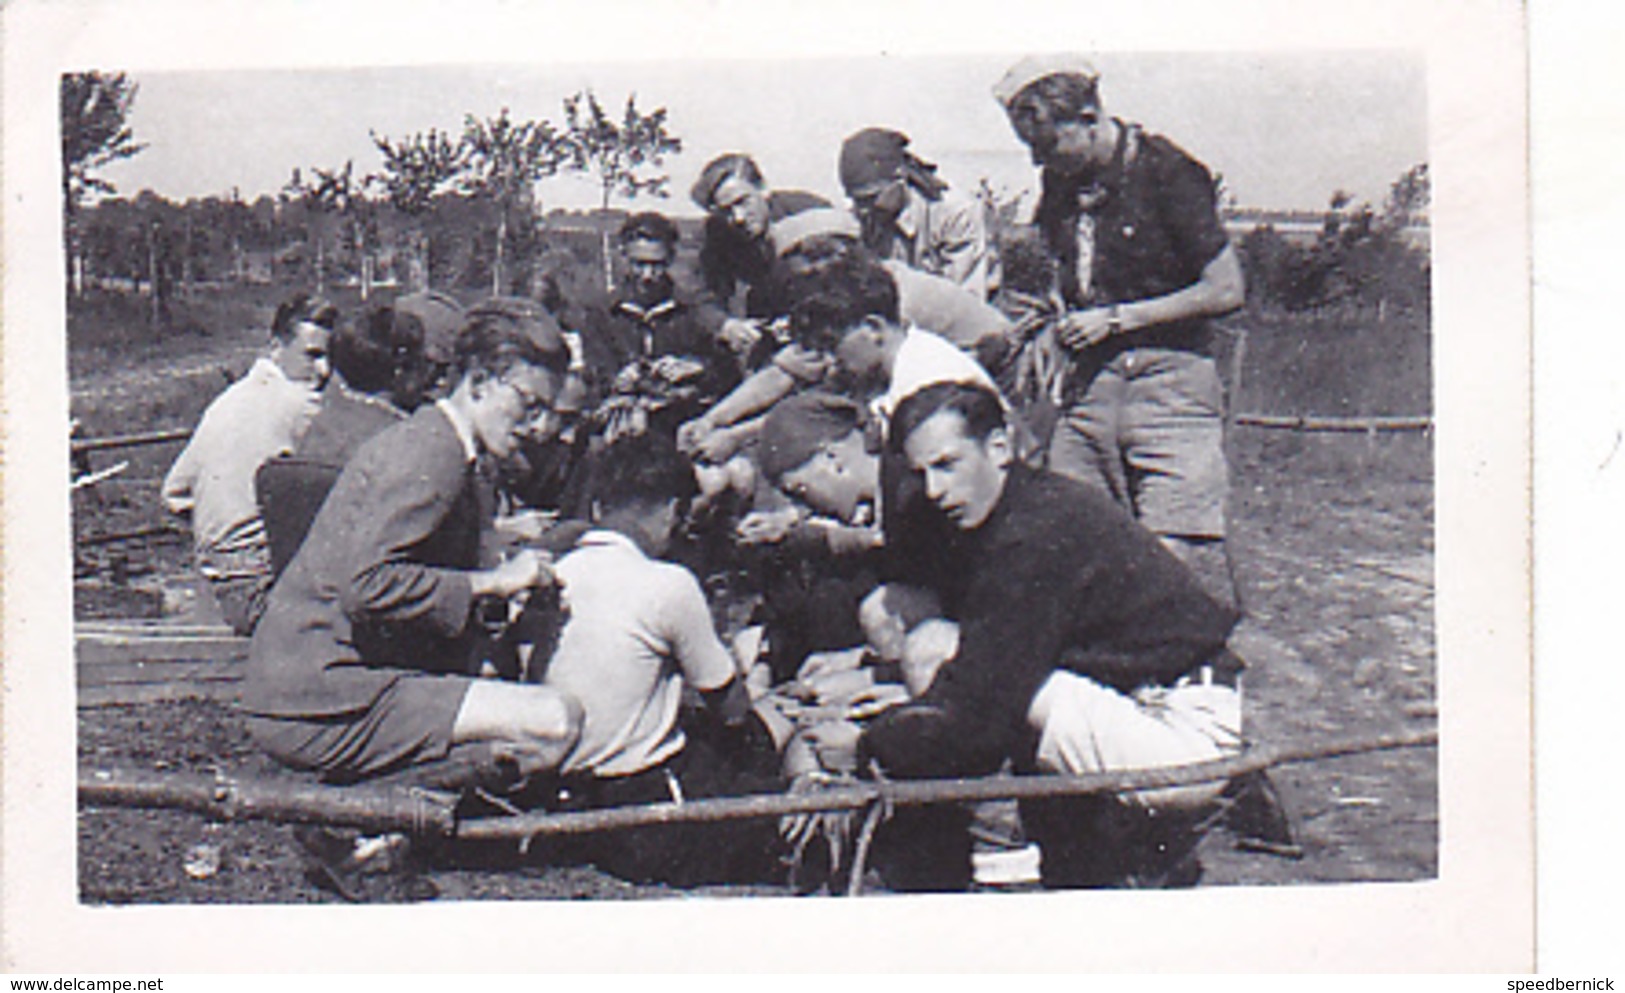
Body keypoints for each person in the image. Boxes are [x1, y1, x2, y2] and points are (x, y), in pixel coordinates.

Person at [856, 382, 1245, 890]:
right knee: (921, 627)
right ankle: (1069, 839)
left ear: (999, 448)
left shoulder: (1035, 533)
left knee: (937, 655)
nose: (933, 490)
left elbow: (977, 715)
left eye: (948, 465)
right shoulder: (1004, 509)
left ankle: (970, 860)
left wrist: (871, 739)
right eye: (921, 472)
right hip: (1128, 696)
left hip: (1179, 734)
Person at [243, 298, 584, 797]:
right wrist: (493, 581)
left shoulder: (444, 444)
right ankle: (354, 824)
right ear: (481, 381)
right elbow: (366, 587)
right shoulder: (433, 451)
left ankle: (370, 812)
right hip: (320, 695)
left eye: (548, 411)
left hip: (318, 683)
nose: (538, 427)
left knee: (503, 691)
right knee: (555, 721)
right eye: (529, 405)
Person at [993, 54, 1246, 606]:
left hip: (1170, 381)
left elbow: (1226, 289)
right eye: (1030, 148)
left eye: (1048, 144)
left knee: (1171, 550)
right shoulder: (1060, 184)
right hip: (1092, 385)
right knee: (1068, 534)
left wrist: (1118, 319)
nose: (1041, 160)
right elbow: (1065, 273)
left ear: (1088, 116)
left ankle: (1182, 672)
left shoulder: (1167, 172)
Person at [534, 433, 785, 886]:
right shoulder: (666, 582)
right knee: (769, 741)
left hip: (561, 789)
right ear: (672, 511)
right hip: (639, 800)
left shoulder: (554, 573)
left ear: (596, 510)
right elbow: (730, 707)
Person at [161, 292, 335, 635]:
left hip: (214, 585)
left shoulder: (229, 400)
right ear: (275, 347)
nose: (324, 370)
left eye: (330, 358)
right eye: (311, 356)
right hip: (262, 588)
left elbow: (173, 494)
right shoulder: (303, 404)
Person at [579, 212, 740, 443]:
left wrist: (696, 368)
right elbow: (592, 378)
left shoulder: (693, 309)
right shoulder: (602, 312)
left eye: (657, 265)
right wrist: (618, 379)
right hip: (621, 424)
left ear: (671, 258)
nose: (647, 275)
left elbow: (727, 374)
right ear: (623, 256)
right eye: (639, 263)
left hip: (681, 423)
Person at [689, 152, 829, 363]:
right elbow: (701, 294)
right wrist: (725, 325)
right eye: (725, 211)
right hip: (768, 317)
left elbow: (850, 282)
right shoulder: (719, 232)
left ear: (764, 189)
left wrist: (806, 319)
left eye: (743, 202)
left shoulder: (810, 214)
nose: (737, 218)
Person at [839, 127, 995, 299]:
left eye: (871, 198)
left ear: (899, 179)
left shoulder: (955, 213)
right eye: (856, 200)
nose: (863, 209)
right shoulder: (865, 219)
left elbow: (965, 299)